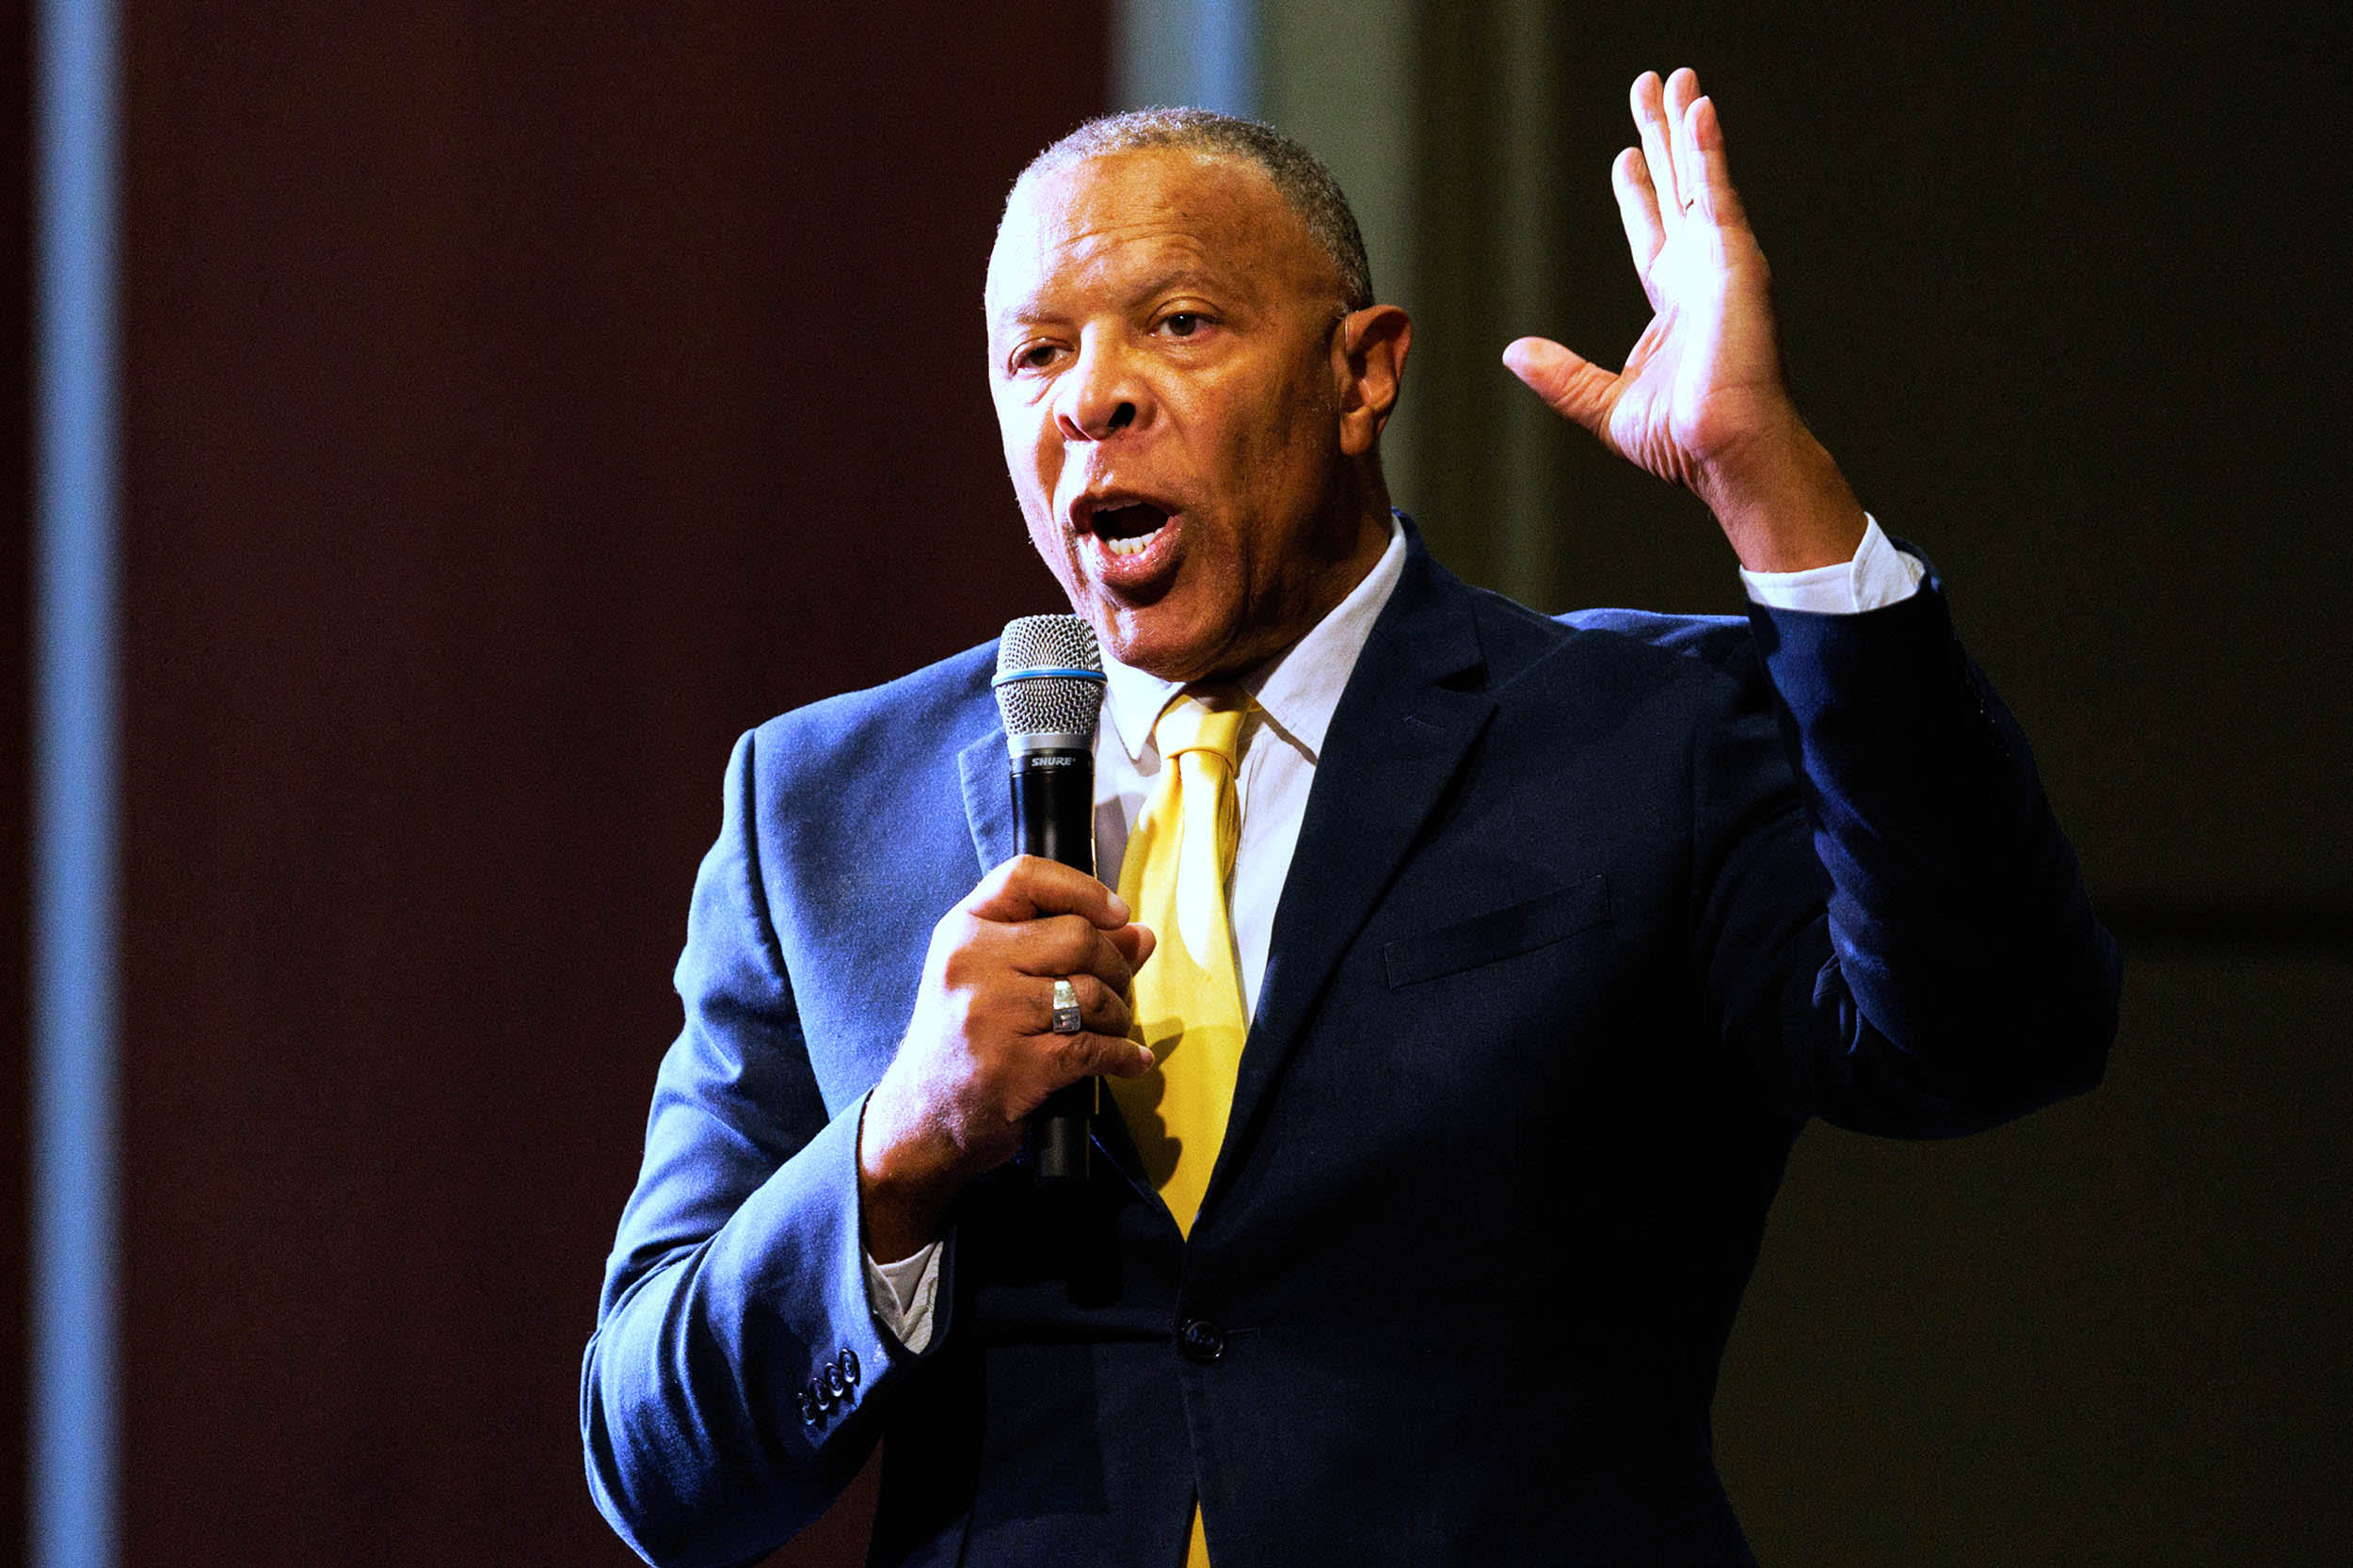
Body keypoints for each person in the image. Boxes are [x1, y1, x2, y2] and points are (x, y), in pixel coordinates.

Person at [582, 69, 2119, 1568]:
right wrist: (897, 1152)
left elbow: (2002, 1027)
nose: (1093, 396)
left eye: (1179, 323)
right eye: (1032, 355)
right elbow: (655, 1469)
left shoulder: (1647, 737)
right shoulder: (822, 807)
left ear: (1360, 372)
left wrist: (1764, 474)